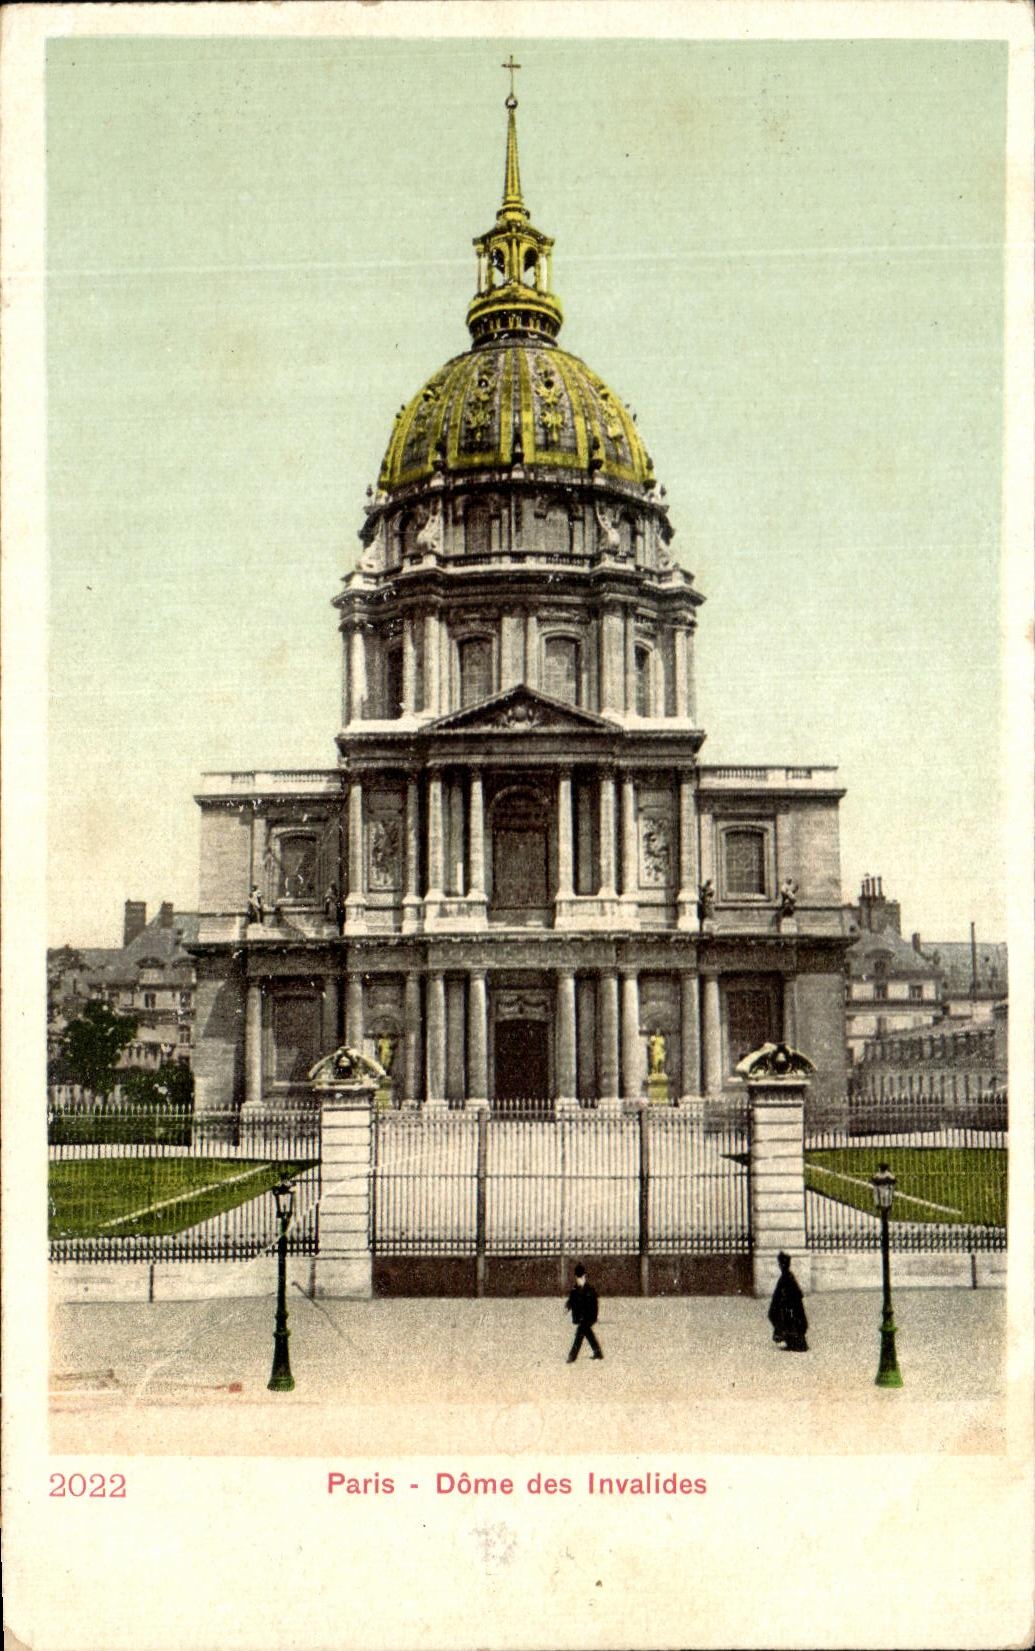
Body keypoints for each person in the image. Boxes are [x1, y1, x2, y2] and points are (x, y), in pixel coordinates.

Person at [768, 1251, 809, 1352]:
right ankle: (792, 1342)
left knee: (788, 1322)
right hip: (791, 1308)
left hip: (790, 1308)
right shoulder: (788, 1276)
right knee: (789, 1322)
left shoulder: (786, 1277)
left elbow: (794, 1294)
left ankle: (793, 1343)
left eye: (780, 1264)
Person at [564, 1264, 603, 1362]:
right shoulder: (575, 1290)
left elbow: (594, 1305)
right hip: (581, 1317)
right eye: (578, 1278)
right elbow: (571, 1300)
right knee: (588, 1334)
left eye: (581, 1277)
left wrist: (593, 1316)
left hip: (588, 1317)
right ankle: (598, 1353)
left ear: (585, 1276)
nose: (580, 1280)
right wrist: (567, 1307)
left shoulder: (590, 1290)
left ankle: (572, 1356)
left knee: (579, 1334)